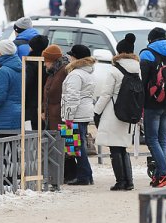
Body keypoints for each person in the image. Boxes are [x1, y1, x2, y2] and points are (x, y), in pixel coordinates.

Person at [95, 33, 139, 191]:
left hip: (114, 112)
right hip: (129, 112)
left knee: (115, 148)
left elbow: (106, 94)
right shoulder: (137, 69)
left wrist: (97, 111)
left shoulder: (114, 70)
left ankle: (120, 181)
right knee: (123, 147)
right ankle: (129, 181)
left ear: (119, 52)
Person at [140, 27, 166, 188]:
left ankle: (164, 172)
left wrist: (141, 101)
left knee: (152, 139)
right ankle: (159, 176)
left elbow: (142, 80)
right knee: (162, 139)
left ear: (151, 39)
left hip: (153, 102)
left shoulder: (147, 53)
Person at [62, 44, 96, 185]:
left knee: (76, 145)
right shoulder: (87, 73)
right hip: (83, 111)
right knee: (75, 144)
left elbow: (72, 97)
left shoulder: (75, 74)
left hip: (75, 113)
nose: (69, 57)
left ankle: (84, 175)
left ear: (76, 57)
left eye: (71, 55)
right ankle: (85, 175)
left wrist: (68, 117)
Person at [42, 44, 74, 182]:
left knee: (67, 146)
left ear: (53, 60)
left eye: (46, 61)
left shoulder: (63, 72)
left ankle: (70, 174)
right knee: (57, 145)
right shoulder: (53, 72)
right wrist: (44, 109)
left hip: (61, 116)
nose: (44, 64)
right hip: (52, 115)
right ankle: (61, 174)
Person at [0, 40, 22, 132]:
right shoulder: (20, 68)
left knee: (4, 145)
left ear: (1, 53)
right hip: (17, 113)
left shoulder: (3, 71)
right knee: (12, 145)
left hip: (4, 116)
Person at [25, 35, 49, 130]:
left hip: (31, 103)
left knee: (32, 132)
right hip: (44, 101)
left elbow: (27, 83)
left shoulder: (30, 62)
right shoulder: (47, 62)